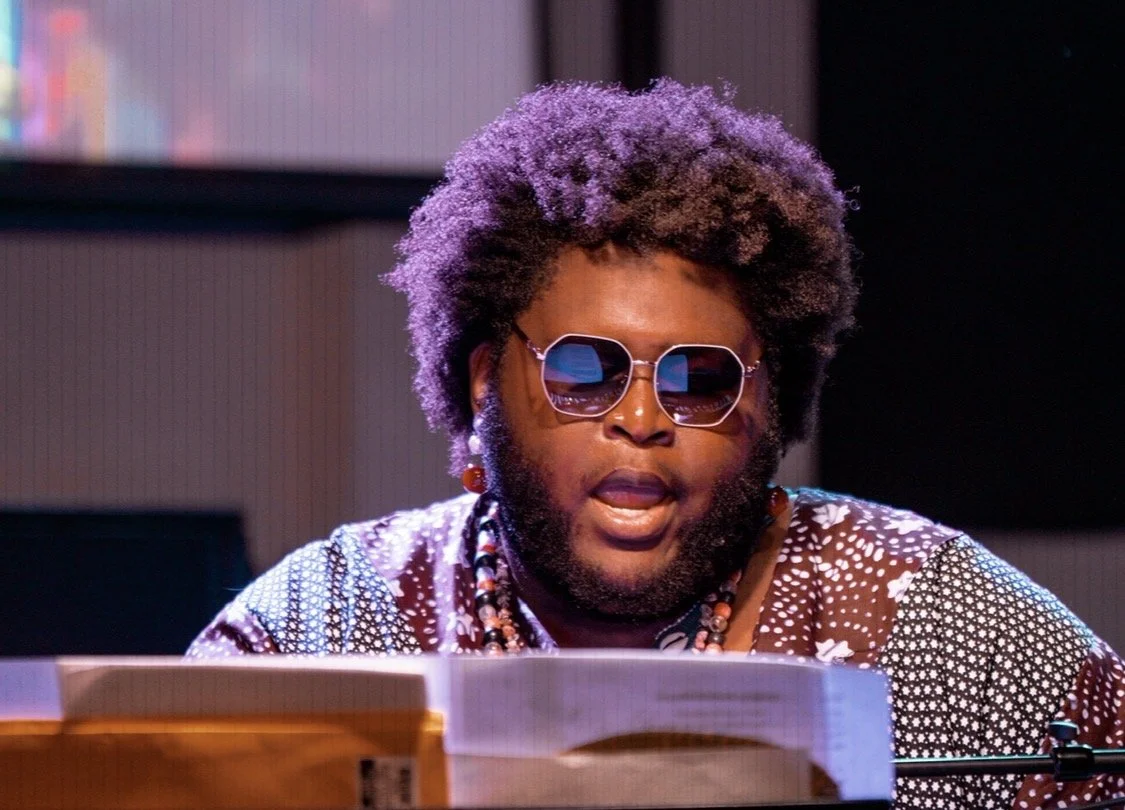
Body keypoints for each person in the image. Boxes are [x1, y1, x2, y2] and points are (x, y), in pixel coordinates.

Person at [188, 80, 1125, 809]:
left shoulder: (949, 636)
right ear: (483, 383)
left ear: (771, 402)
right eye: (586, 369)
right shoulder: (321, 634)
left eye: (698, 379)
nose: (641, 417)